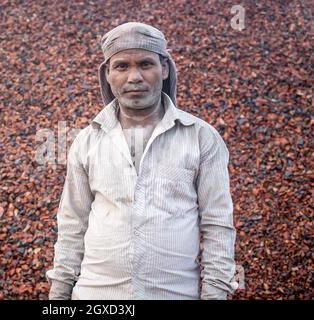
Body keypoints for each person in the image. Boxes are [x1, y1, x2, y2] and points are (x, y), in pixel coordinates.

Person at [46, 22, 238, 300]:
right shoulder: (87, 141)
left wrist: (215, 293)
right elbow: (73, 222)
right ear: (108, 74)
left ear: (165, 69)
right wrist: (60, 292)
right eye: (122, 66)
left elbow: (217, 223)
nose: (134, 77)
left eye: (145, 64)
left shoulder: (201, 137)